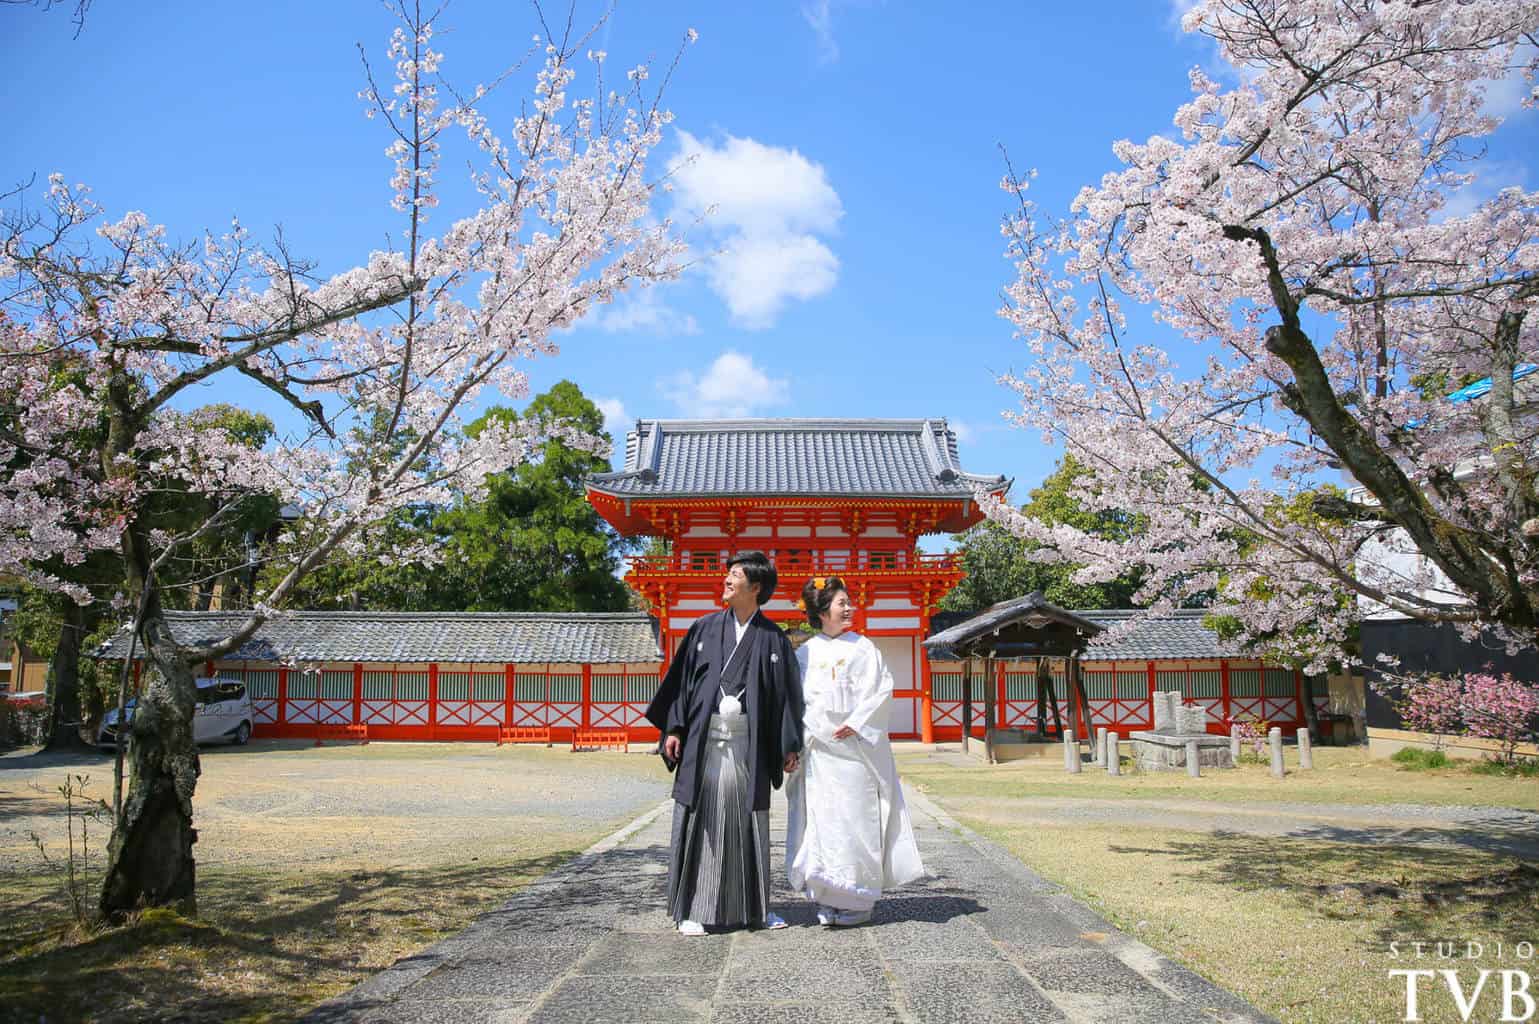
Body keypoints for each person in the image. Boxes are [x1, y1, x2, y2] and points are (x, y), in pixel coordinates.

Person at [644, 550, 804, 936]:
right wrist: (674, 729)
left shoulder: (774, 639)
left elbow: (787, 697)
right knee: (703, 822)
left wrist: (789, 744)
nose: (727, 580)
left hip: (748, 746)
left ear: (756, 587)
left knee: (748, 824)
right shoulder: (703, 629)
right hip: (704, 743)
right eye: (728, 574)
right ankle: (692, 909)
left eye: (735, 575)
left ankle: (756, 910)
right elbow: (681, 683)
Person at [786, 575, 924, 926]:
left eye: (849, 602)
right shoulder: (805, 653)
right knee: (823, 824)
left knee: (857, 822)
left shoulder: (864, 648)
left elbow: (881, 691)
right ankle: (826, 896)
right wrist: (798, 741)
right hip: (819, 754)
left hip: (855, 753)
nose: (850, 608)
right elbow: (795, 701)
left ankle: (859, 900)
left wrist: (859, 722)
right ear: (822, 612)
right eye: (842, 603)